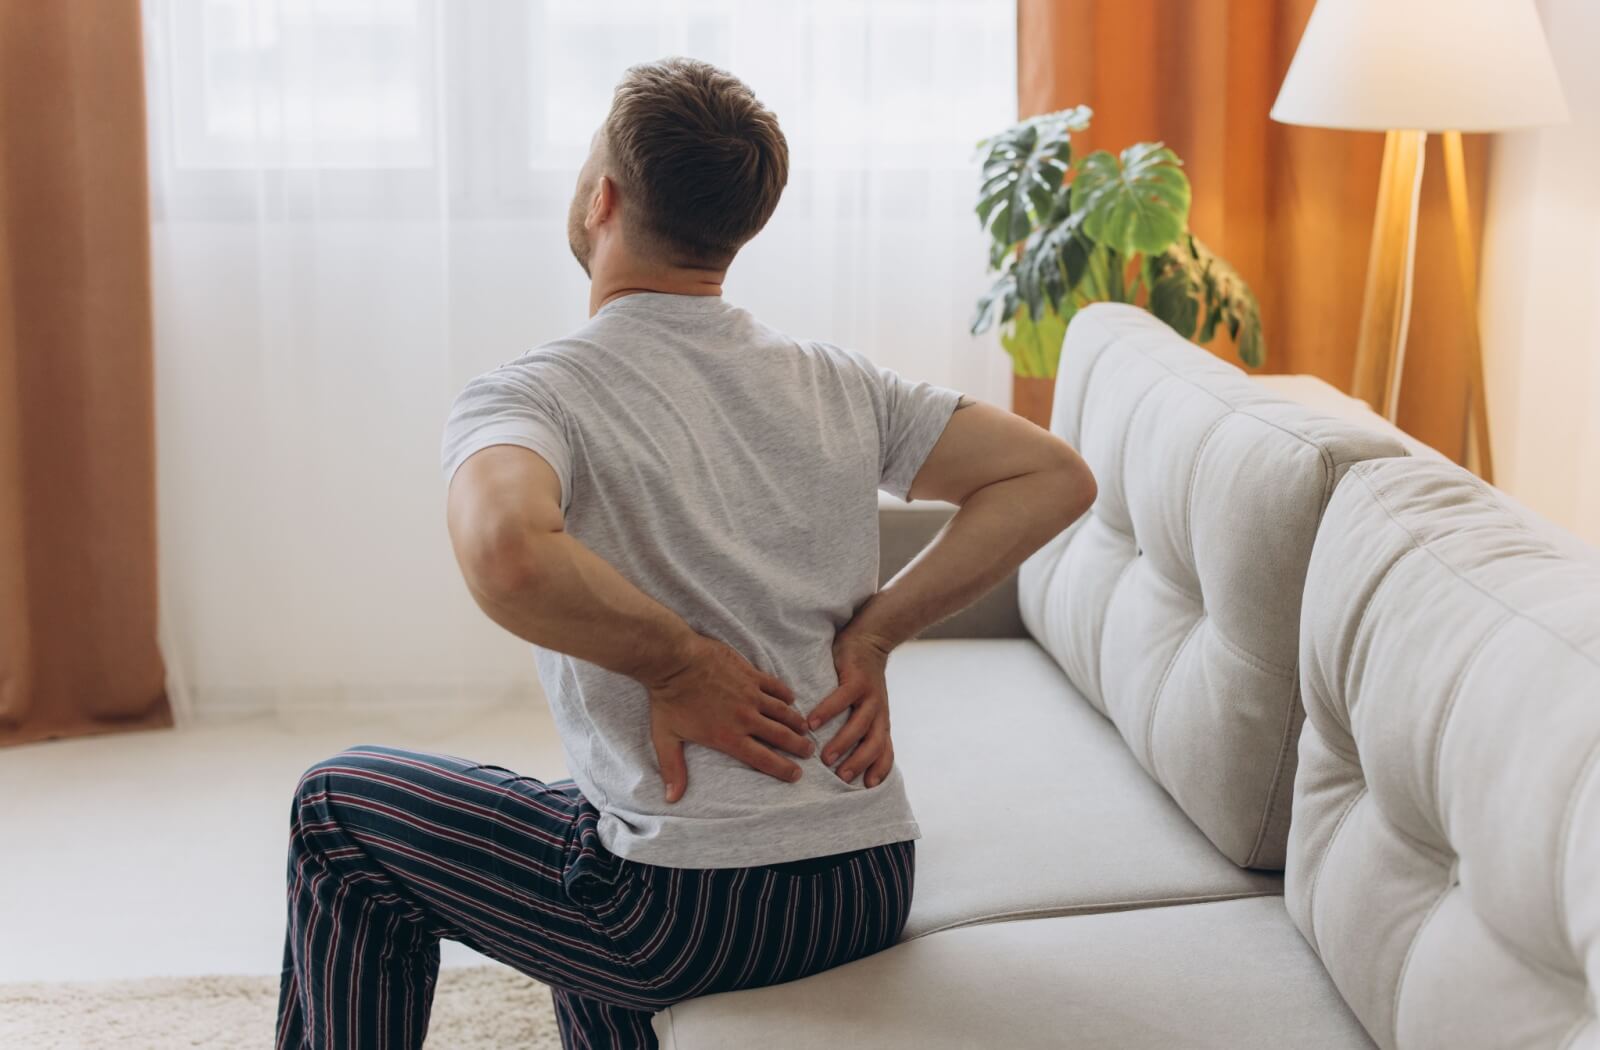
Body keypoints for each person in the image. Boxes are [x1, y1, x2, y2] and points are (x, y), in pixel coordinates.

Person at [274, 56, 1095, 1050]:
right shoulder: (839, 382)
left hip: (683, 913)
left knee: (336, 807)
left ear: (602, 198)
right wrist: (877, 635)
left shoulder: (531, 398)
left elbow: (506, 553)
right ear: (738, 225)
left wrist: (676, 662)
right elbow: (1052, 475)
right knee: (589, 809)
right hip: (869, 877)